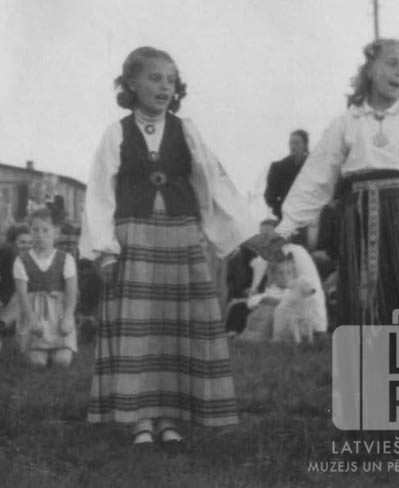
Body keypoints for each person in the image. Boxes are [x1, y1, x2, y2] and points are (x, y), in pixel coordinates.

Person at [80, 46, 257, 446]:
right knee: (140, 329)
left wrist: (236, 230)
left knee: (177, 329)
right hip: (135, 239)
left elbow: (212, 181)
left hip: (180, 236)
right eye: (155, 78)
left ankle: (170, 417)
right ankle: (140, 418)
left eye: (171, 80)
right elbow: (100, 194)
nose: (165, 87)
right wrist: (105, 250)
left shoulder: (187, 131)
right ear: (132, 83)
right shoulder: (116, 133)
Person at [268, 38, 399, 328]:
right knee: (365, 299)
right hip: (358, 218)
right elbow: (316, 178)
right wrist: (285, 227)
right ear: (369, 69)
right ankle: (368, 357)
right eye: (392, 63)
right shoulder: (346, 122)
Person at [14, 209, 77, 368]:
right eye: (35, 230)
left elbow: (71, 291)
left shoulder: (65, 258)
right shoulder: (22, 260)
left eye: (45, 230)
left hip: (58, 314)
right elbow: (22, 294)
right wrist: (31, 318)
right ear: (30, 232)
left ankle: (59, 347)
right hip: (34, 313)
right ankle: (35, 349)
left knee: (62, 362)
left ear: (55, 232)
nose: (40, 235)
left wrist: (68, 316)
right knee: (38, 363)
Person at [264, 129, 309, 220]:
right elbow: (269, 196)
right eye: (291, 143)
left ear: (305, 146)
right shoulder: (278, 168)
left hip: (310, 216)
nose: (293, 146)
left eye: (297, 143)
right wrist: (281, 211)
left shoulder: (314, 166)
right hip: (288, 218)